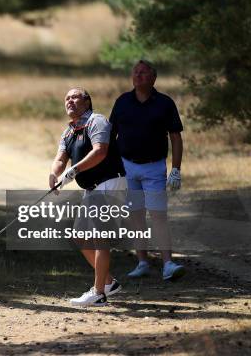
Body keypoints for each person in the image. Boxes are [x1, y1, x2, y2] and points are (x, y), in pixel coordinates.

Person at [109, 59, 186, 281]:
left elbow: (175, 137)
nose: (138, 76)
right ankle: (142, 262)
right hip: (127, 166)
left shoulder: (164, 103)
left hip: (154, 167)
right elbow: (110, 136)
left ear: (153, 78)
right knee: (136, 216)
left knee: (158, 215)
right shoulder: (122, 102)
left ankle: (168, 264)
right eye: (135, 72)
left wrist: (176, 169)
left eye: (143, 73)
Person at [50, 87, 126, 307]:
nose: (70, 101)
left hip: (110, 182)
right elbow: (60, 159)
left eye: (75, 97)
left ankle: (99, 292)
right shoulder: (69, 132)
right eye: (67, 98)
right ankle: (109, 282)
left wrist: (74, 171)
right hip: (93, 188)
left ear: (87, 101)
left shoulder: (97, 121)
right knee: (80, 236)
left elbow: (100, 151)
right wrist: (54, 174)